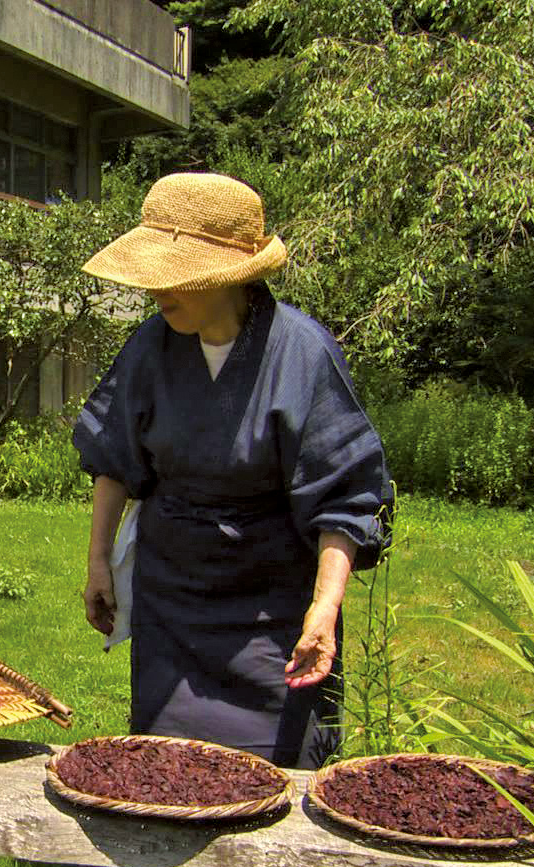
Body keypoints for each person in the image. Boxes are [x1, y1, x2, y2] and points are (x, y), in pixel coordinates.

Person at [72, 172, 392, 770]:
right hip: (174, 604)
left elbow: (345, 499)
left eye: (179, 276)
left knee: (275, 775)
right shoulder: (151, 347)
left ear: (231, 278)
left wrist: (323, 611)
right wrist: (98, 562)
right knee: (171, 769)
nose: (159, 291)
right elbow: (115, 457)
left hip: (271, 616)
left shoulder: (301, 353)